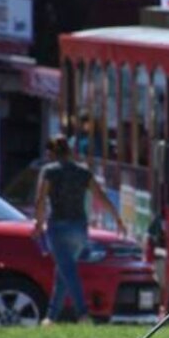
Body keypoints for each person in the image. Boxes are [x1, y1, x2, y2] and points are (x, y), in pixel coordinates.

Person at [32, 135, 126, 326]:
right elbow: (100, 196)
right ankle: (51, 317)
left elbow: (40, 199)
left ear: (52, 153)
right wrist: (117, 218)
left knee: (68, 271)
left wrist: (39, 224)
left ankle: (83, 314)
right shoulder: (83, 172)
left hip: (58, 226)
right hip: (79, 228)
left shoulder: (49, 171)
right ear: (69, 152)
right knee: (63, 272)